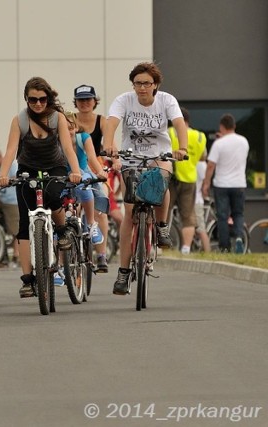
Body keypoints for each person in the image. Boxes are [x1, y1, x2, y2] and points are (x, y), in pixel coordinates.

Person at [103, 62, 188, 296]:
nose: (142, 88)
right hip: (131, 156)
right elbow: (111, 122)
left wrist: (182, 147)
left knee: (162, 177)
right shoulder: (124, 100)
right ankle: (122, 273)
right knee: (129, 213)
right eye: (138, 83)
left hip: (159, 155)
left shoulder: (166, 100)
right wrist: (108, 145)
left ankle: (161, 227)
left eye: (147, 84)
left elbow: (179, 123)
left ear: (155, 85)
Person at [0, 77, 82, 298]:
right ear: (26, 99)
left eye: (42, 99)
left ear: (48, 98)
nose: (38, 103)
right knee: (24, 223)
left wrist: (76, 172)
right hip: (28, 169)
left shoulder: (57, 118)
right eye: (33, 99)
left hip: (55, 167)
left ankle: (62, 231)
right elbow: (10, 150)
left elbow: (67, 147)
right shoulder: (20, 121)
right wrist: (3, 175)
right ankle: (27, 279)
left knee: (54, 196)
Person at [73, 84, 111, 272]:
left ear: (95, 101)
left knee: (99, 208)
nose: (85, 103)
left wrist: (114, 159)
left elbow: (109, 143)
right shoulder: (70, 122)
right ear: (76, 103)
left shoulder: (101, 121)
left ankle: (101, 255)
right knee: (71, 204)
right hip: (76, 166)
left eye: (88, 99)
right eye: (81, 100)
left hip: (96, 165)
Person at [202, 113, 249, 253]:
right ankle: (239, 238)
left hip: (222, 185)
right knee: (238, 214)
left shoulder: (219, 144)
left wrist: (206, 184)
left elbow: (211, 165)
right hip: (239, 184)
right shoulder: (244, 141)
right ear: (234, 126)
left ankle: (225, 247)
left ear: (221, 126)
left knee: (222, 216)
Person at [167, 107, 207, 254]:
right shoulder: (200, 136)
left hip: (171, 178)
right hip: (190, 178)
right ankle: (186, 248)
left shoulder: (171, 132)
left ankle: (160, 245)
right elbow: (203, 157)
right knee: (188, 215)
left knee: (164, 210)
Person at [195, 151, 211, 252]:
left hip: (196, 200)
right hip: (198, 199)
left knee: (200, 228)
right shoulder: (204, 164)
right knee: (198, 227)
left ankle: (207, 251)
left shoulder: (199, 165)